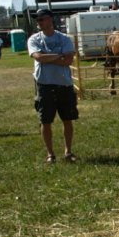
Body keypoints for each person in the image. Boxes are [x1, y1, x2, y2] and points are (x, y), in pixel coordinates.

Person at [27, 9, 79, 163]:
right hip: (44, 85)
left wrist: (46, 56)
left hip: (64, 85)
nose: (39, 22)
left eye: (42, 19)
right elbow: (38, 57)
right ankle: (50, 154)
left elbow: (68, 61)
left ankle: (68, 152)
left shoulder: (64, 38)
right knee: (45, 121)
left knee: (67, 119)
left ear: (50, 20)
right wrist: (59, 55)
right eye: (38, 20)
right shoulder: (34, 39)